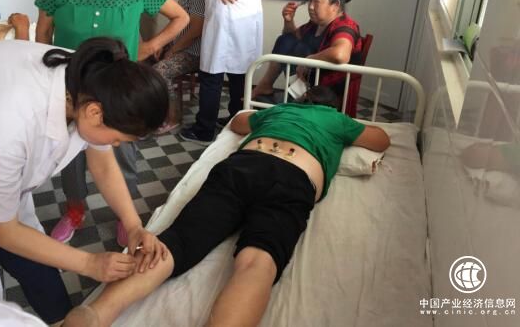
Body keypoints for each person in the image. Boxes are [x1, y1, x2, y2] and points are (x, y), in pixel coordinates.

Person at [62, 87, 391, 327]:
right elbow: (381, 139)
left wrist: (276, 113)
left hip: (242, 166)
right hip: (292, 178)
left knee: (177, 242)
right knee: (258, 260)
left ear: (302, 99)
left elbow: (238, 122)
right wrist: (346, 128)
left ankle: (96, 314)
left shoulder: (279, 111)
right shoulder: (336, 120)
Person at [0, 37, 170, 324]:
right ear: (95, 113)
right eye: (117, 139)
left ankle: (62, 317)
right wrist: (89, 263)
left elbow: (103, 165)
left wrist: (134, 225)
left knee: (34, 255)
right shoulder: (7, 124)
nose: (114, 146)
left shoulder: (95, 80)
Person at [35, 0, 189, 244]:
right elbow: (44, 31)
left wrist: (148, 47)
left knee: (122, 151)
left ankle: (124, 215)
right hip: (69, 86)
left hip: (121, 87)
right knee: (70, 152)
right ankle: (74, 209)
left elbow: (181, 17)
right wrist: (44, 80)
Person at [179, 0, 269, 145]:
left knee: (212, 72)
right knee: (241, 71)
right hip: (248, 11)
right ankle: (236, 120)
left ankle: (204, 130)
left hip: (227, 9)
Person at [252, 0, 363, 103]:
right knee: (285, 40)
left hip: (327, 92)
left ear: (335, 5)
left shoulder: (345, 26)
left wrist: (308, 60)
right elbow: (289, 41)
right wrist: (288, 21)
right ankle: (266, 87)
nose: (310, 7)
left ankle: (292, 99)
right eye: (310, 0)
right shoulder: (315, 24)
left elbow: (340, 55)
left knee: (300, 47)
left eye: (317, 1)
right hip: (306, 82)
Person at [151, 0, 207, 134]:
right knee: (146, 58)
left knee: (160, 71)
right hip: (181, 47)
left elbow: (196, 30)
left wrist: (173, 50)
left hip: (194, 53)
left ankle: (173, 117)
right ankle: (155, 111)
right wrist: (163, 42)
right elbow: (177, 21)